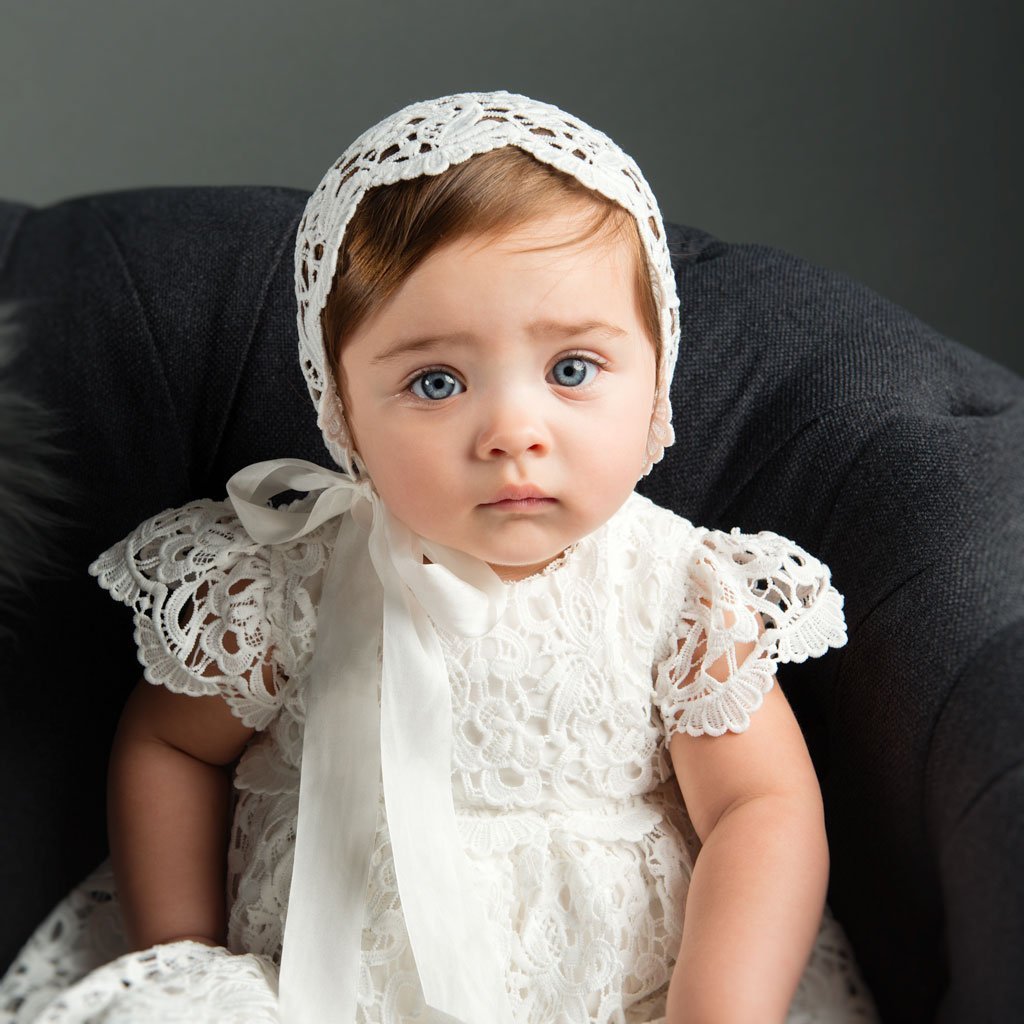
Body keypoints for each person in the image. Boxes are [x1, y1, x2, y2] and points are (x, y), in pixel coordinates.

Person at [0, 90, 881, 1024]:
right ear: (342, 410)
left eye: (571, 369)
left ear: (656, 373)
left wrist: (718, 1008)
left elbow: (761, 809)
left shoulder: (673, 588)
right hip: (318, 991)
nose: (512, 432)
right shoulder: (293, 575)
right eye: (436, 382)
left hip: (623, 998)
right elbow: (171, 743)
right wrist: (185, 959)